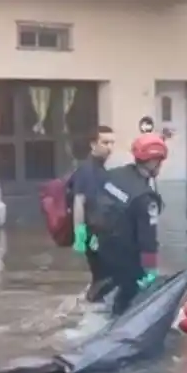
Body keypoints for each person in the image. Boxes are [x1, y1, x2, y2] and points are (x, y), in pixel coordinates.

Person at [86, 133, 168, 317]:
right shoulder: (145, 198)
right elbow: (148, 242)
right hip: (124, 259)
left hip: (98, 250)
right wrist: (151, 272)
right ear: (153, 162)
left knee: (101, 295)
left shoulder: (113, 175)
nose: (160, 165)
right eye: (159, 161)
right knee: (126, 301)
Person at [70, 125, 116, 301]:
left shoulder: (101, 170)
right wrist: (80, 234)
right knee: (103, 277)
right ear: (93, 144)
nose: (110, 147)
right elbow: (79, 202)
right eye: (105, 142)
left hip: (102, 234)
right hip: (94, 234)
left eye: (112, 143)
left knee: (104, 277)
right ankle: (92, 304)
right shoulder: (87, 170)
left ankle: (92, 302)